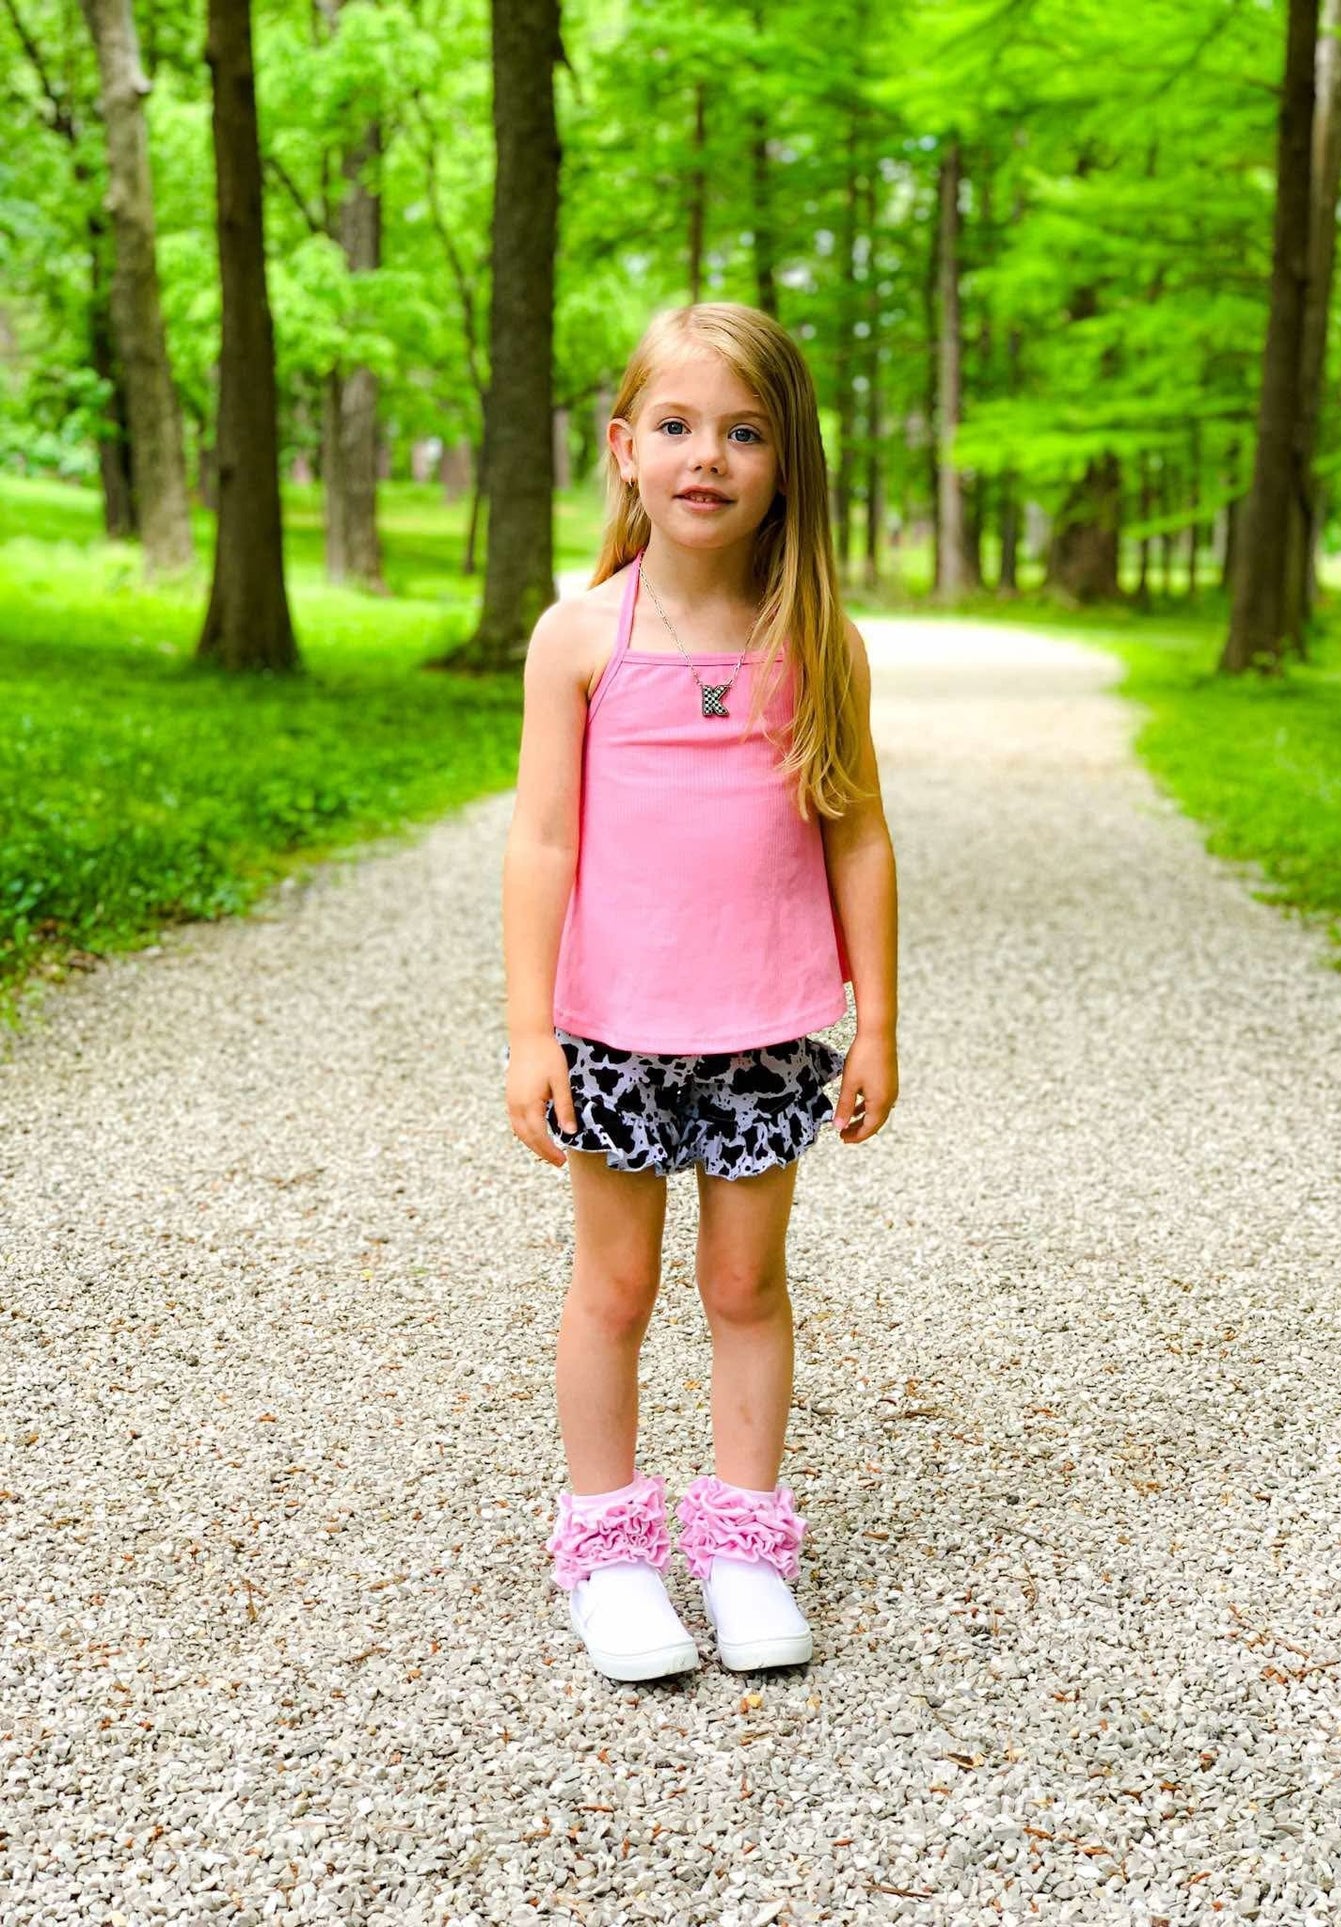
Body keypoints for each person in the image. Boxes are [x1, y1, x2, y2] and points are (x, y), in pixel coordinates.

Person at [501, 301, 899, 1683]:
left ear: (787, 462)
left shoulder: (819, 644)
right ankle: (610, 1555)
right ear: (625, 448)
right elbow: (541, 842)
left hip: (765, 1033)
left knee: (744, 1283)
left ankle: (741, 1546)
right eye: (675, 426)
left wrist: (877, 1022)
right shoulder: (580, 638)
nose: (707, 457)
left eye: (744, 432)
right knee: (614, 1287)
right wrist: (528, 1032)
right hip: (614, 1029)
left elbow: (857, 835)